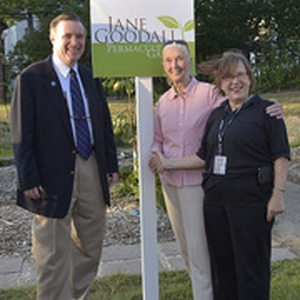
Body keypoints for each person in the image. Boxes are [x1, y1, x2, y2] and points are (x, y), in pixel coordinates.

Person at [148, 40, 284, 300]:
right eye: (168, 60)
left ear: (189, 62)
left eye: (180, 59)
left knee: (223, 259)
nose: (174, 65)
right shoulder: (170, 103)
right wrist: (158, 157)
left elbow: (276, 147)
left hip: (220, 189)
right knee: (204, 257)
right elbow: (171, 143)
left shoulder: (214, 96)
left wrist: (273, 105)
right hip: (192, 190)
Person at [9, 12, 118, 300]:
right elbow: (22, 134)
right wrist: (28, 178)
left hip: (91, 167)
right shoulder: (32, 78)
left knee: (90, 247)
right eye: (68, 36)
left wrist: (110, 163)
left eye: (80, 36)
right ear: (53, 37)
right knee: (52, 254)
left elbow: (103, 123)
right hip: (50, 175)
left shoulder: (88, 76)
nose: (74, 42)